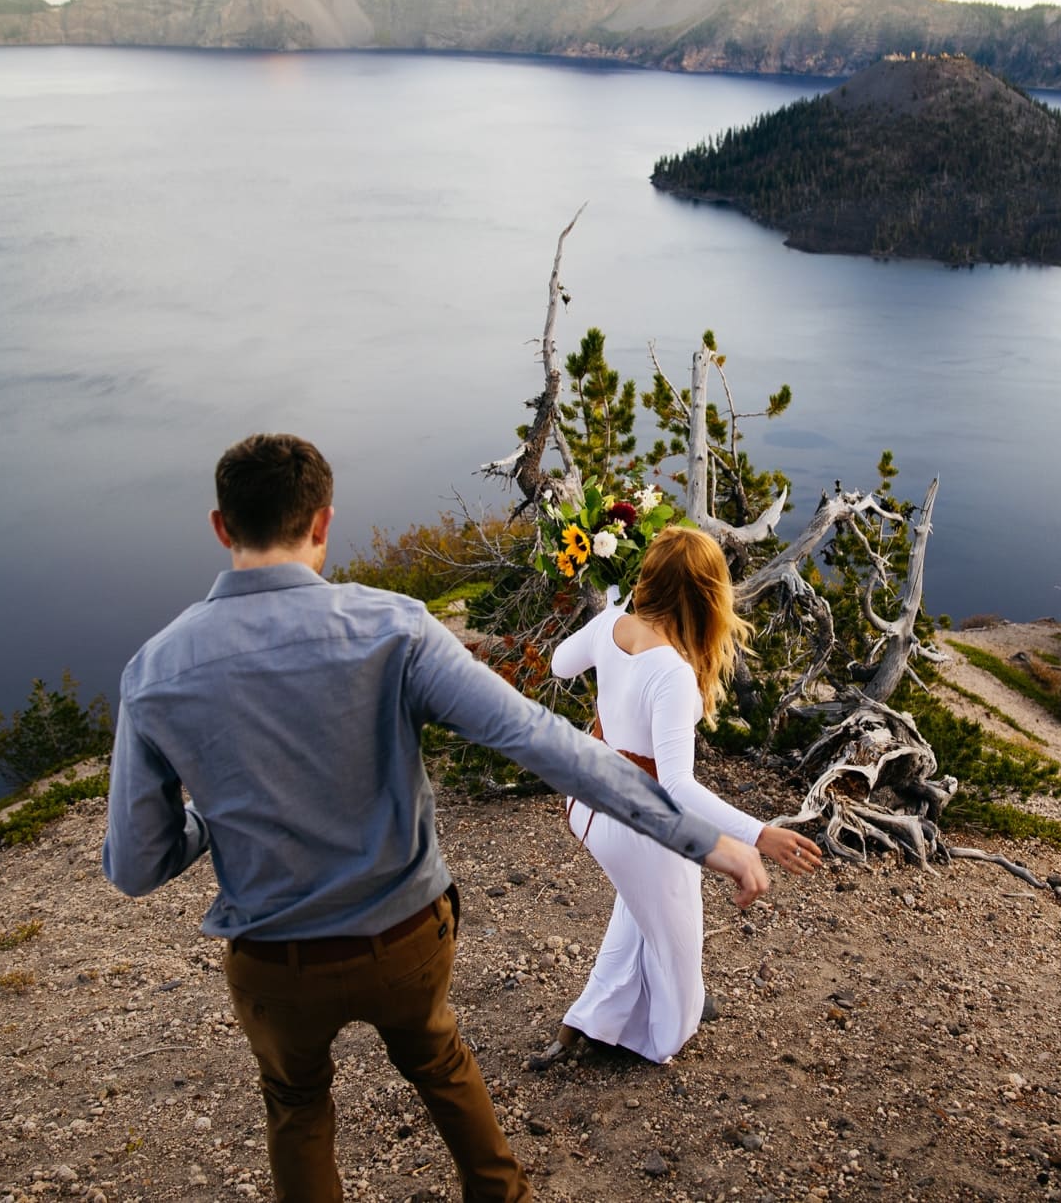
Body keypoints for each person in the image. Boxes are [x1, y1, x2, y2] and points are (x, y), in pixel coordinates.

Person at [101, 434, 769, 1203]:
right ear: (323, 522)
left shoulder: (155, 670)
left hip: (275, 960)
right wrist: (704, 839)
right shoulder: (396, 629)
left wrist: (212, 818)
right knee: (441, 1064)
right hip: (402, 942)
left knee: (297, 1106)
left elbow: (135, 865)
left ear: (222, 527)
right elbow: (538, 738)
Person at [535, 526, 823, 1068]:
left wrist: (610, 634)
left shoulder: (611, 624)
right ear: (707, 596)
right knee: (679, 954)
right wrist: (758, 834)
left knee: (638, 911)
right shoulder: (670, 671)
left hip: (588, 801)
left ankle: (592, 1019)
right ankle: (658, 1040)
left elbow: (557, 665)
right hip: (636, 822)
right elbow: (678, 788)